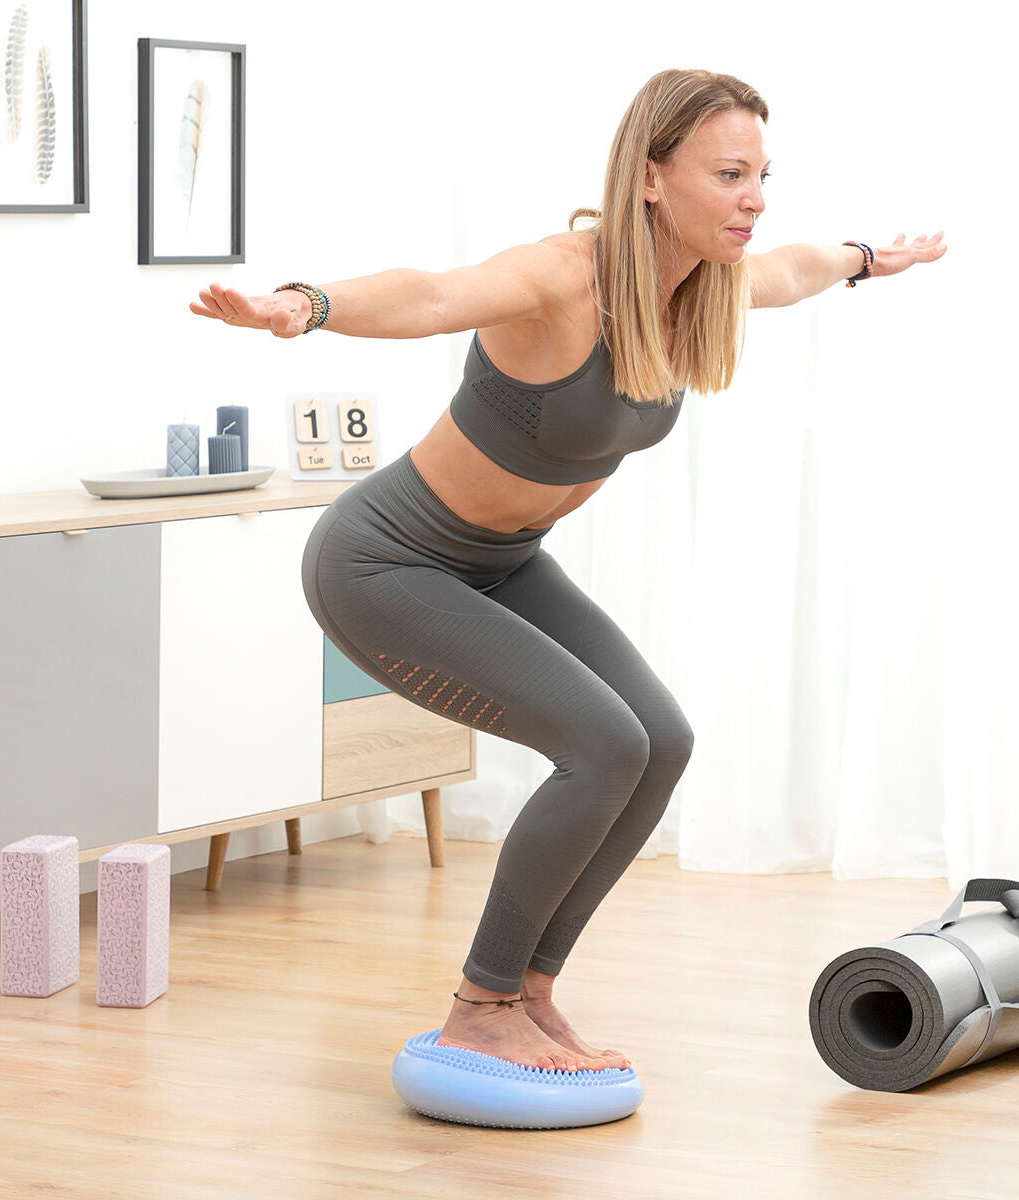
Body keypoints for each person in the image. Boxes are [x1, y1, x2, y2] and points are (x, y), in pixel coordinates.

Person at [189, 68, 947, 1075]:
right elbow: (434, 293)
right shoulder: (561, 276)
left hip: (500, 564)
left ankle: (529, 989)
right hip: (387, 562)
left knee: (660, 741)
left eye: (763, 175)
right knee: (600, 742)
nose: (755, 198)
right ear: (648, 175)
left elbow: (799, 267)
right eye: (729, 174)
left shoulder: (707, 287)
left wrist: (864, 259)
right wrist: (305, 303)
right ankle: (479, 1003)